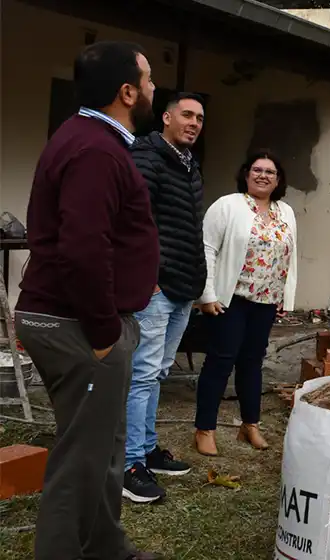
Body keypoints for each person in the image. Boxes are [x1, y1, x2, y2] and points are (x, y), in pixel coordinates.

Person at [15, 42, 161, 560]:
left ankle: (104, 546)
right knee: (82, 456)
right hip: (78, 325)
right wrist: (104, 334)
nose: (152, 90)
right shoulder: (96, 150)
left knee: (105, 446)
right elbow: (83, 248)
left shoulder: (93, 141)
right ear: (126, 92)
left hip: (84, 321)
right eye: (146, 81)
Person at [122, 92, 207, 504]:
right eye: (186, 115)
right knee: (141, 375)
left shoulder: (190, 165)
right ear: (167, 117)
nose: (193, 123)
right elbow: (134, 221)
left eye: (199, 118)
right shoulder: (147, 155)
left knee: (157, 373)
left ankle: (148, 449)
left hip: (184, 286)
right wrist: (148, 277)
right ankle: (128, 464)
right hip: (156, 287)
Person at [193, 151, 298, 456]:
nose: (263, 175)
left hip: (266, 301)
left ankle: (250, 425)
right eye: (257, 170)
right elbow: (207, 250)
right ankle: (204, 429)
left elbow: (290, 256)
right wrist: (207, 294)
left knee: (253, 363)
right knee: (221, 361)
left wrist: (285, 297)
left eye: (270, 171)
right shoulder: (227, 205)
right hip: (230, 300)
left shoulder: (285, 212)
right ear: (246, 173)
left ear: (278, 180)